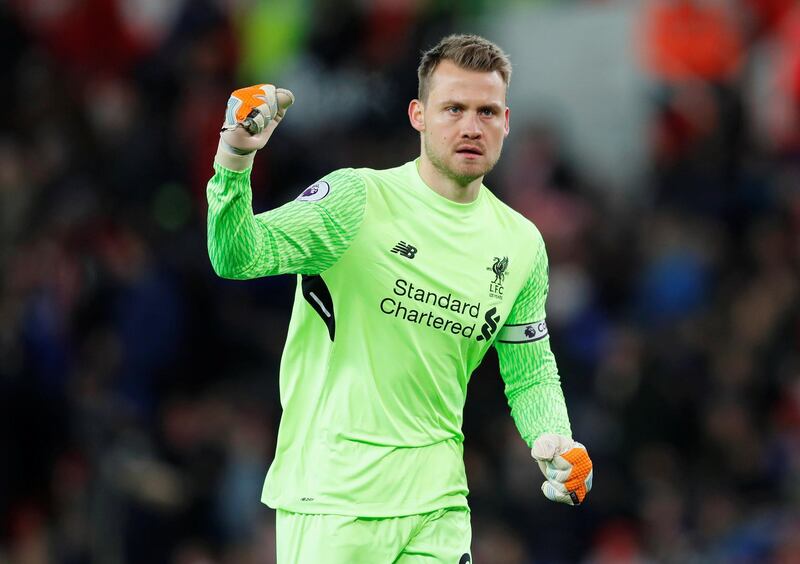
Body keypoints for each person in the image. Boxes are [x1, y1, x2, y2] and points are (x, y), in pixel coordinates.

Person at [206, 34, 593, 563]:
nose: (471, 126)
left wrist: (558, 441)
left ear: (506, 122)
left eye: (486, 111)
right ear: (418, 115)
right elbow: (236, 255)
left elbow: (530, 370)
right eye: (453, 108)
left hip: (439, 506)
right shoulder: (355, 199)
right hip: (333, 502)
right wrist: (235, 157)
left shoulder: (521, 243)